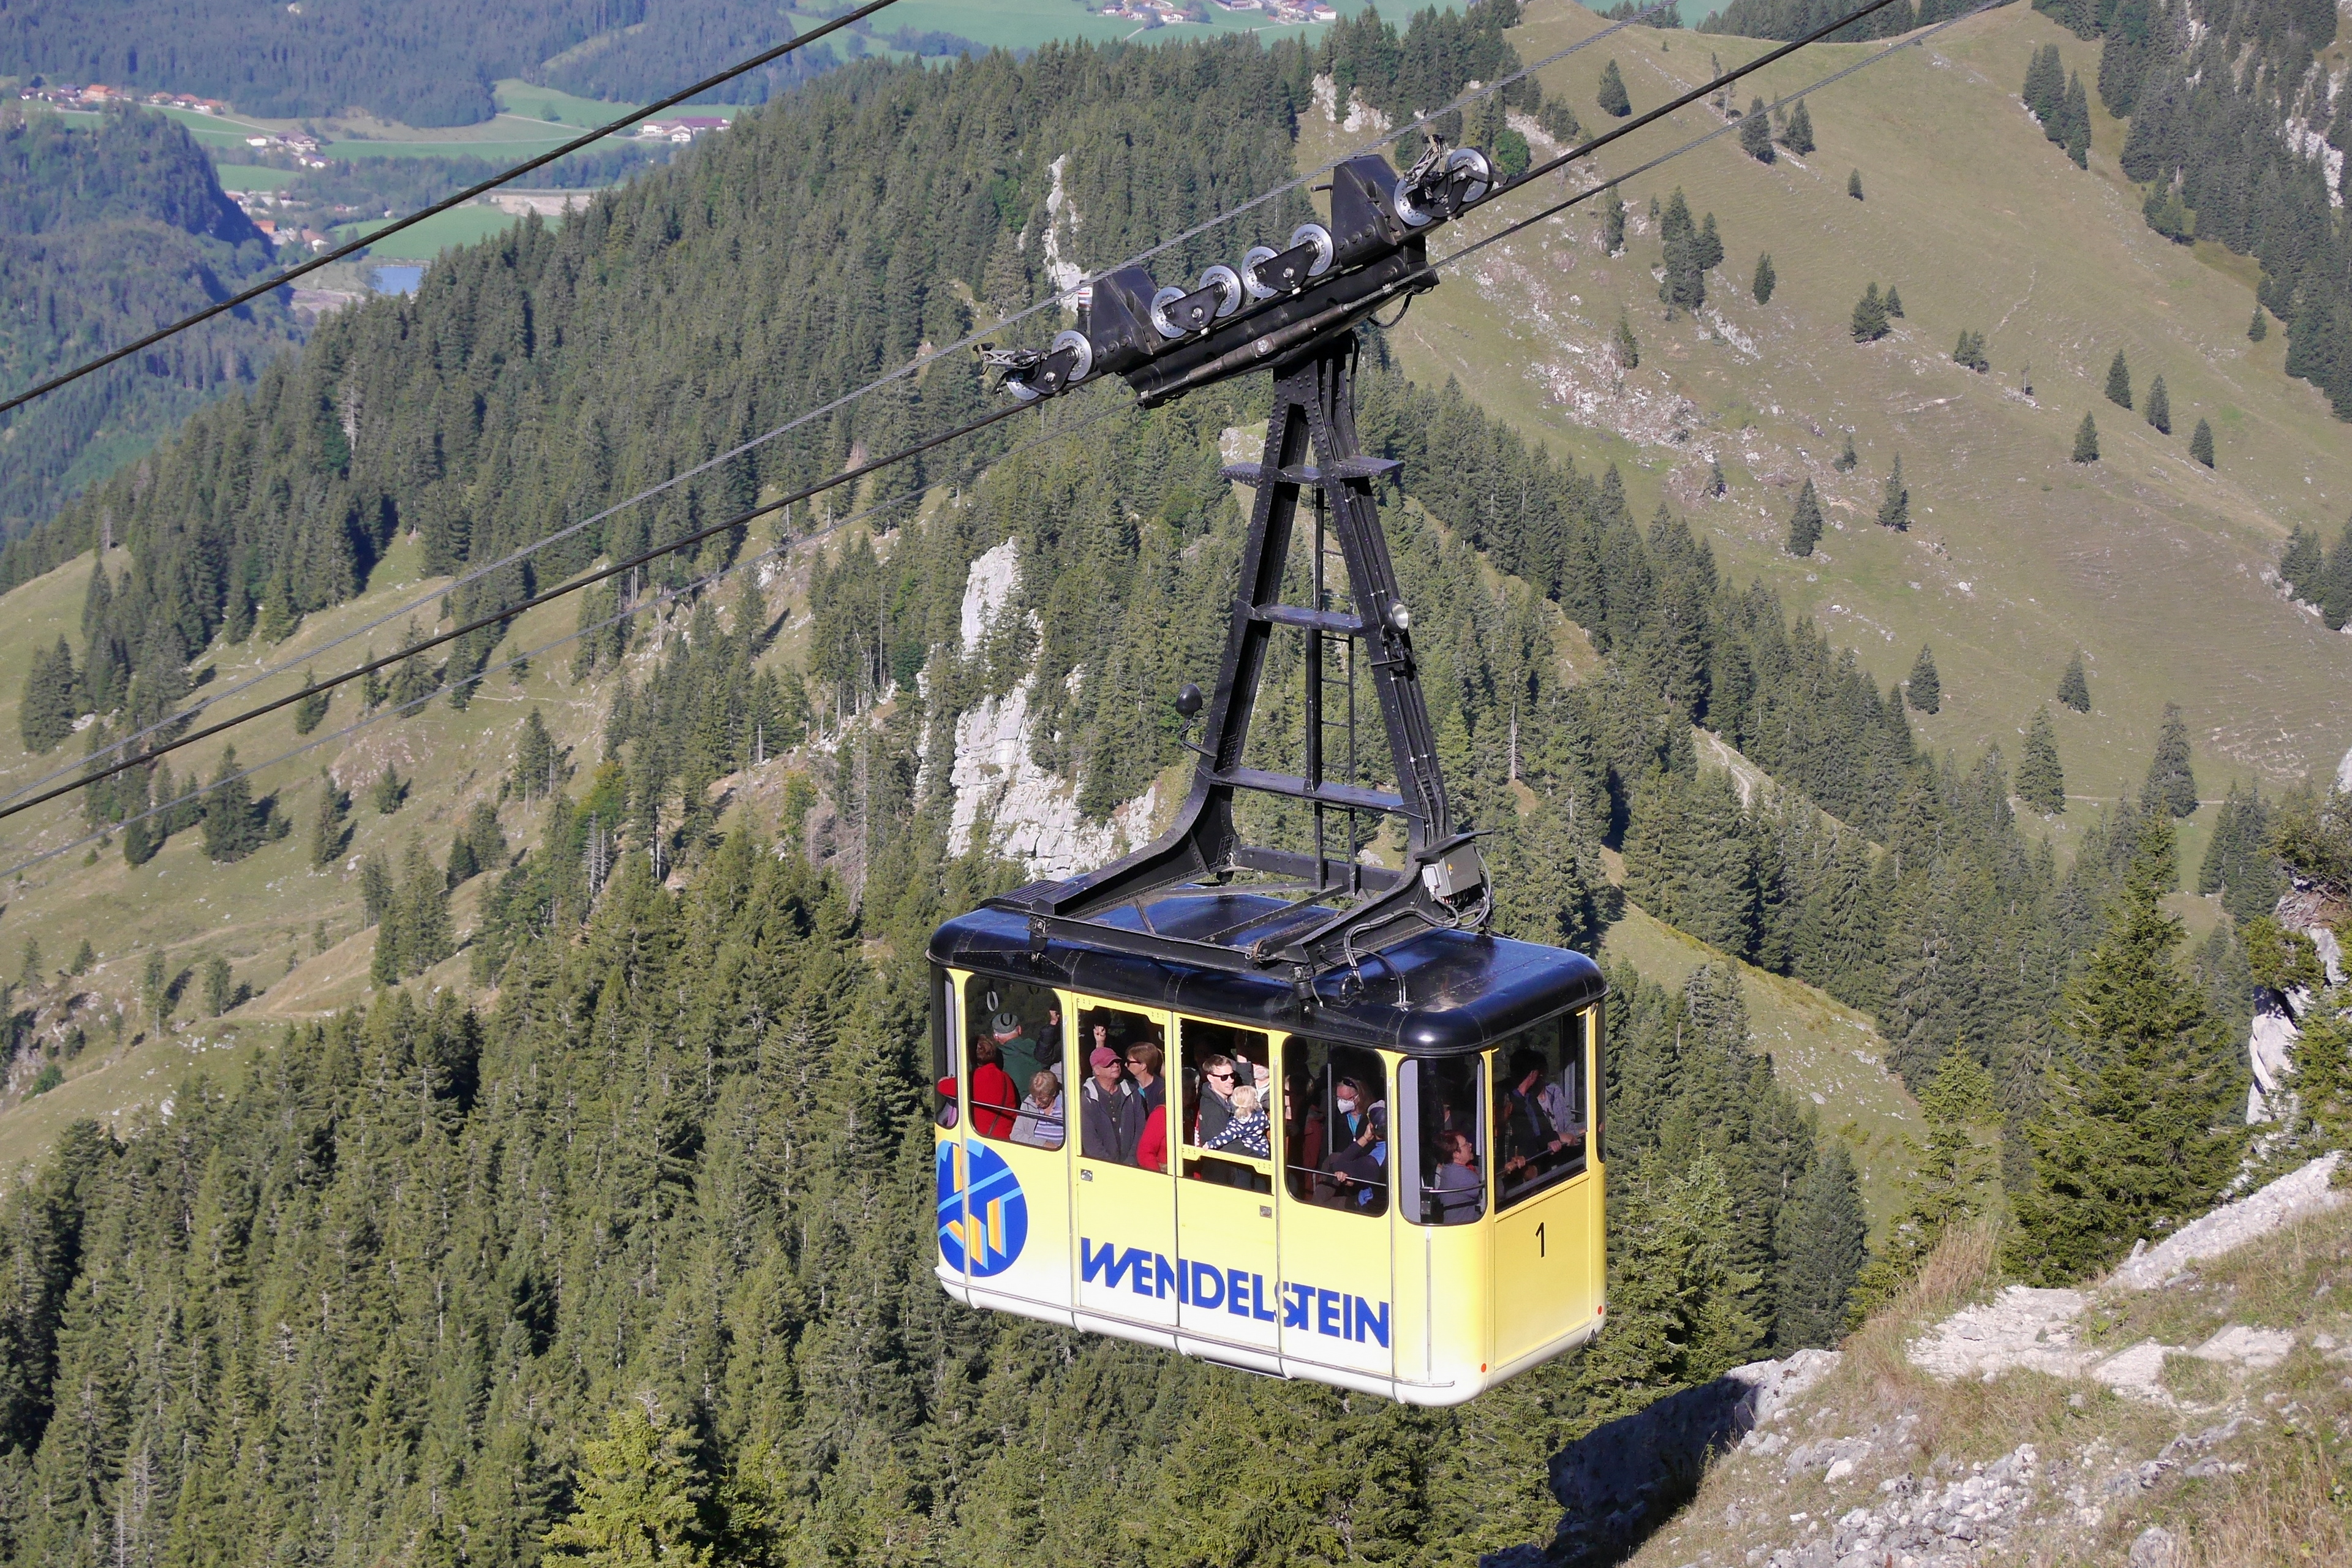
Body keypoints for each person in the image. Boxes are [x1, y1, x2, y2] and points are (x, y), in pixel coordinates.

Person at [1499, 1047, 1566, 1187]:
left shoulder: (1530, 1099)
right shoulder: (1506, 1100)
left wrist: (1552, 1140)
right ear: (1532, 1074)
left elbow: (1544, 1129)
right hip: (1519, 1175)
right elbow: (1509, 1139)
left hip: (1540, 1165)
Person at [1080, 1045, 1144, 1164]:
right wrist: (1110, 1167)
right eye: (1109, 1064)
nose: (1115, 1065)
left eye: (1116, 1062)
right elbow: (1090, 1140)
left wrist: (1132, 1160)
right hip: (1102, 1166)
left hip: (1132, 1166)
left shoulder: (1132, 1092)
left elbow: (1141, 1129)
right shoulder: (1087, 1099)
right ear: (1097, 1070)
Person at [1202, 1082, 1270, 1160]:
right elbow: (1267, 1125)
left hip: (1249, 1152)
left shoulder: (1238, 1124)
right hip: (1262, 1150)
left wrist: (1211, 1144)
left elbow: (1226, 1136)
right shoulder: (1260, 1114)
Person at [969, 1035, 1019, 1140]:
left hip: (984, 1141)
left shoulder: (974, 1078)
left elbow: (942, 1087)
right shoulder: (1006, 1077)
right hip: (1008, 1138)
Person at [1428, 1129, 1483, 1223]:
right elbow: (1494, 1190)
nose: (1470, 1145)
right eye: (1466, 1144)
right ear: (1456, 1154)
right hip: (1465, 1227)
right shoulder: (1461, 1175)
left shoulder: (1449, 1167)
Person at [1010, 1070, 1065, 1149]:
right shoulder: (1029, 1104)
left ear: (1053, 1093)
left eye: (1042, 1098)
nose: (1037, 1103)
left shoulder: (1066, 1107)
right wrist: (1044, 1144)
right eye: (1034, 1097)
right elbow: (1016, 1135)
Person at [1194, 1053, 1238, 1145]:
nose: (1231, 1080)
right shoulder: (1212, 1110)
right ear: (1211, 1078)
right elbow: (1227, 1146)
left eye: (1232, 1075)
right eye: (1224, 1077)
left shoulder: (1231, 1100)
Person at [1125, 1041, 1166, 1118]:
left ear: (1143, 1066)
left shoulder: (1162, 1090)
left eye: (1129, 1062)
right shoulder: (1129, 1088)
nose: (1126, 1065)